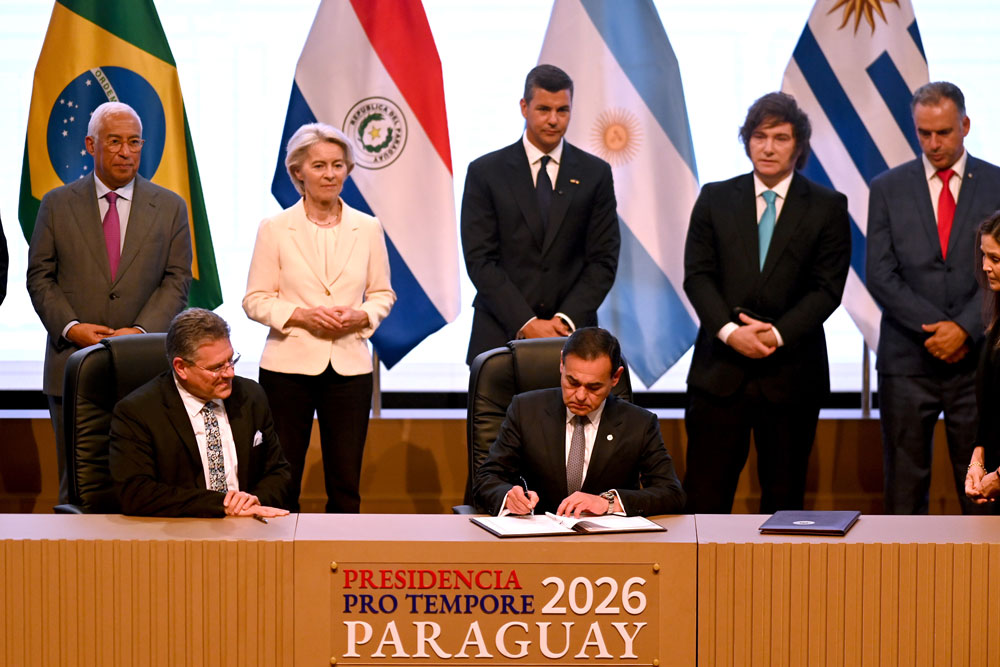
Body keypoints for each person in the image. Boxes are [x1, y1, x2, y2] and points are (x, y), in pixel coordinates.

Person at [682, 92, 850, 514]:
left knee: (784, 504)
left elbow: (827, 289)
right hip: (719, 373)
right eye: (759, 136)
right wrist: (730, 333)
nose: (768, 147)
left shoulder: (828, 207)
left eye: (780, 137)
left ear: (799, 145)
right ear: (747, 141)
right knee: (704, 499)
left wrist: (775, 334)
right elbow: (697, 276)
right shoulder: (715, 198)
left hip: (792, 374)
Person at [27, 101, 192, 505]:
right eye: (115, 141)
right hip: (73, 364)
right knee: (77, 488)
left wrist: (139, 333)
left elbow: (177, 279)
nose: (125, 152)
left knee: (146, 486)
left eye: (134, 142)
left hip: (145, 367)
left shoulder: (170, 206)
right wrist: (72, 328)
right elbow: (40, 276)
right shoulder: (56, 204)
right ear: (90, 145)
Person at [243, 122, 395, 513]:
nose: (330, 174)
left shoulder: (368, 227)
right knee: (282, 477)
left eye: (338, 165)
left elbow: (383, 294)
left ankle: (342, 548)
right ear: (298, 172)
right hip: (287, 369)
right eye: (319, 166)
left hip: (349, 368)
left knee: (345, 482)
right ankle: (280, 549)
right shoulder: (275, 228)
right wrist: (300, 316)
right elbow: (255, 300)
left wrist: (361, 315)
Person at [867, 82, 1000, 515]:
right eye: (923, 133)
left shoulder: (997, 183)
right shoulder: (887, 187)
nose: (933, 143)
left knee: (980, 489)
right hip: (907, 360)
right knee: (904, 489)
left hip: (977, 361)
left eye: (943, 132)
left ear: (965, 125)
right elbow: (880, 274)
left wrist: (963, 328)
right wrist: (938, 329)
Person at [461, 64, 619, 365]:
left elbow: (603, 260)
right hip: (498, 335)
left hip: (575, 340)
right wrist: (526, 322)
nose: (553, 120)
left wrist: (564, 321)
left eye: (563, 110)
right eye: (544, 109)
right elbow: (480, 259)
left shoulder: (595, 174)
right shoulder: (485, 172)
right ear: (524, 107)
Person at [473, 327, 685, 517]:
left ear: (615, 377)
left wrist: (608, 503)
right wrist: (508, 497)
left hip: (609, 542)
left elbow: (671, 493)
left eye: (594, 387)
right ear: (562, 364)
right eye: (572, 382)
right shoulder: (526, 410)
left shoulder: (639, 423)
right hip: (536, 536)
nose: (580, 396)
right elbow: (487, 478)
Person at [110, 308, 291, 518]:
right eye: (217, 367)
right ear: (181, 367)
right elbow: (136, 493)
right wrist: (221, 504)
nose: (230, 373)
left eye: (231, 360)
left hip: (250, 522)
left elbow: (278, 472)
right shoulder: (138, 412)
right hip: (180, 528)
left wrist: (252, 502)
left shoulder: (250, 396)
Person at [965, 212, 1000, 503]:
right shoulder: (996, 323)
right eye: (983, 255)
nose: (985, 266)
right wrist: (978, 459)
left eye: (995, 259)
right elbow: (990, 407)